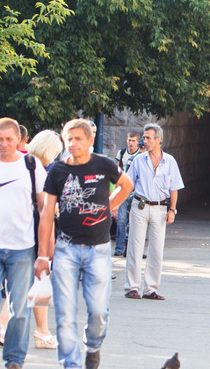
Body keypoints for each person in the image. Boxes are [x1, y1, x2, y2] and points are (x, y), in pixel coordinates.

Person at [36, 118, 134, 369]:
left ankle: (92, 346)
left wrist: (110, 206)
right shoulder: (57, 171)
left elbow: (127, 185)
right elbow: (47, 213)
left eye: (78, 139)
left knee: (98, 312)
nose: (73, 144)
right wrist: (43, 255)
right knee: (65, 314)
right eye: (68, 139)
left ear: (90, 141)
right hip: (65, 249)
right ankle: (71, 364)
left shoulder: (104, 164)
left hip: (98, 249)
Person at [0, 118, 46, 369]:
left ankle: (14, 360)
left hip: (22, 247)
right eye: (0, 140)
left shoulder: (31, 165)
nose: (4, 144)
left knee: (19, 309)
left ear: (19, 139)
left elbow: (44, 208)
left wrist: (44, 251)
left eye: (9, 139)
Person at [124, 123, 184, 301]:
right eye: (144, 137)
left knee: (156, 249)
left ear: (159, 140)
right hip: (140, 206)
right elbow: (128, 184)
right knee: (135, 247)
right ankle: (132, 287)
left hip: (160, 208)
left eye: (149, 138)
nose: (145, 141)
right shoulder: (138, 160)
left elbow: (174, 187)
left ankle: (150, 288)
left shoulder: (170, 161)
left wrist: (172, 209)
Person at [25, 130, 63, 351]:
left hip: (25, 230)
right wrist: (48, 247)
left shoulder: (24, 163)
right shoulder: (42, 170)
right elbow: (45, 210)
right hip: (37, 231)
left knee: (34, 284)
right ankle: (40, 331)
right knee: (33, 282)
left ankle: (43, 331)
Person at [113, 131, 141, 256]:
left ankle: (132, 248)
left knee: (135, 221)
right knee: (121, 219)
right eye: (129, 140)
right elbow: (116, 171)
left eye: (133, 141)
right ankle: (119, 248)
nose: (131, 143)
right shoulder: (122, 153)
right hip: (123, 189)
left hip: (136, 191)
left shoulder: (140, 155)